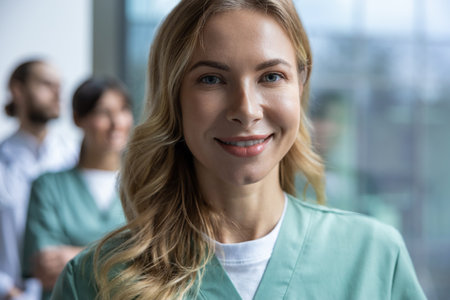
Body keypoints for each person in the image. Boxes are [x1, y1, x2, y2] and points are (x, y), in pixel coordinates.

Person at [51, 1, 427, 299]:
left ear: (301, 84)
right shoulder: (95, 280)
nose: (246, 109)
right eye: (211, 79)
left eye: (271, 76)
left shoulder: (375, 258)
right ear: (173, 97)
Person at [22, 77, 134, 299]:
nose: (116, 122)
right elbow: (47, 270)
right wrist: (125, 257)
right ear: (77, 118)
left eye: (123, 110)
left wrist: (74, 255)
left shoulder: (145, 186)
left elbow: (158, 262)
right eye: (103, 112)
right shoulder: (49, 186)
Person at [0, 60, 78, 299]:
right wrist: (7, 290)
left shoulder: (73, 157)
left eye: (59, 86)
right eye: (46, 84)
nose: (57, 93)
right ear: (18, 90)